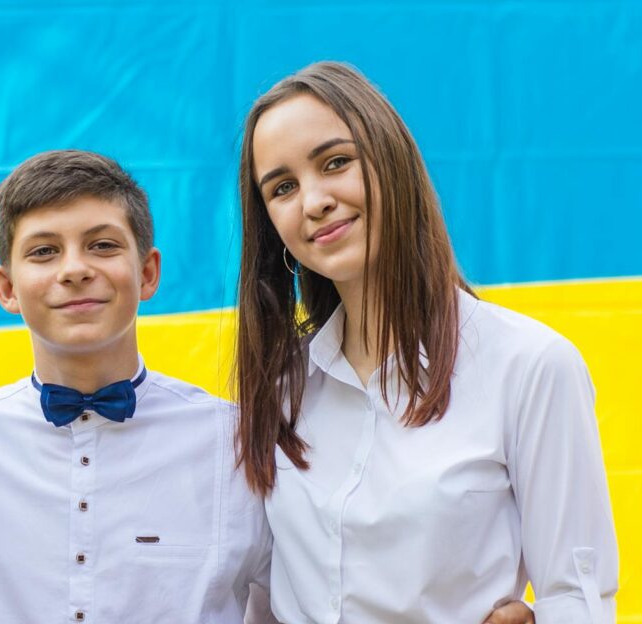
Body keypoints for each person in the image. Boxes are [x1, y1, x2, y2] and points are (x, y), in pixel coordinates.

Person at [234, 60, 618, 623]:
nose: (313, 201)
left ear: (392, 161)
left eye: (336, 162)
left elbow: (578, 598)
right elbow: (265, 598)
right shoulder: (281, 387)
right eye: (283, 187)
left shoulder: (530, 366)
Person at [0, 149, 276, 623]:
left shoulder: (239, 442)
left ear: (147, 273)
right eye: (44, 251)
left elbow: (291, 605)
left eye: (103, 245)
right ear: (7, 288)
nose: (74, 269)